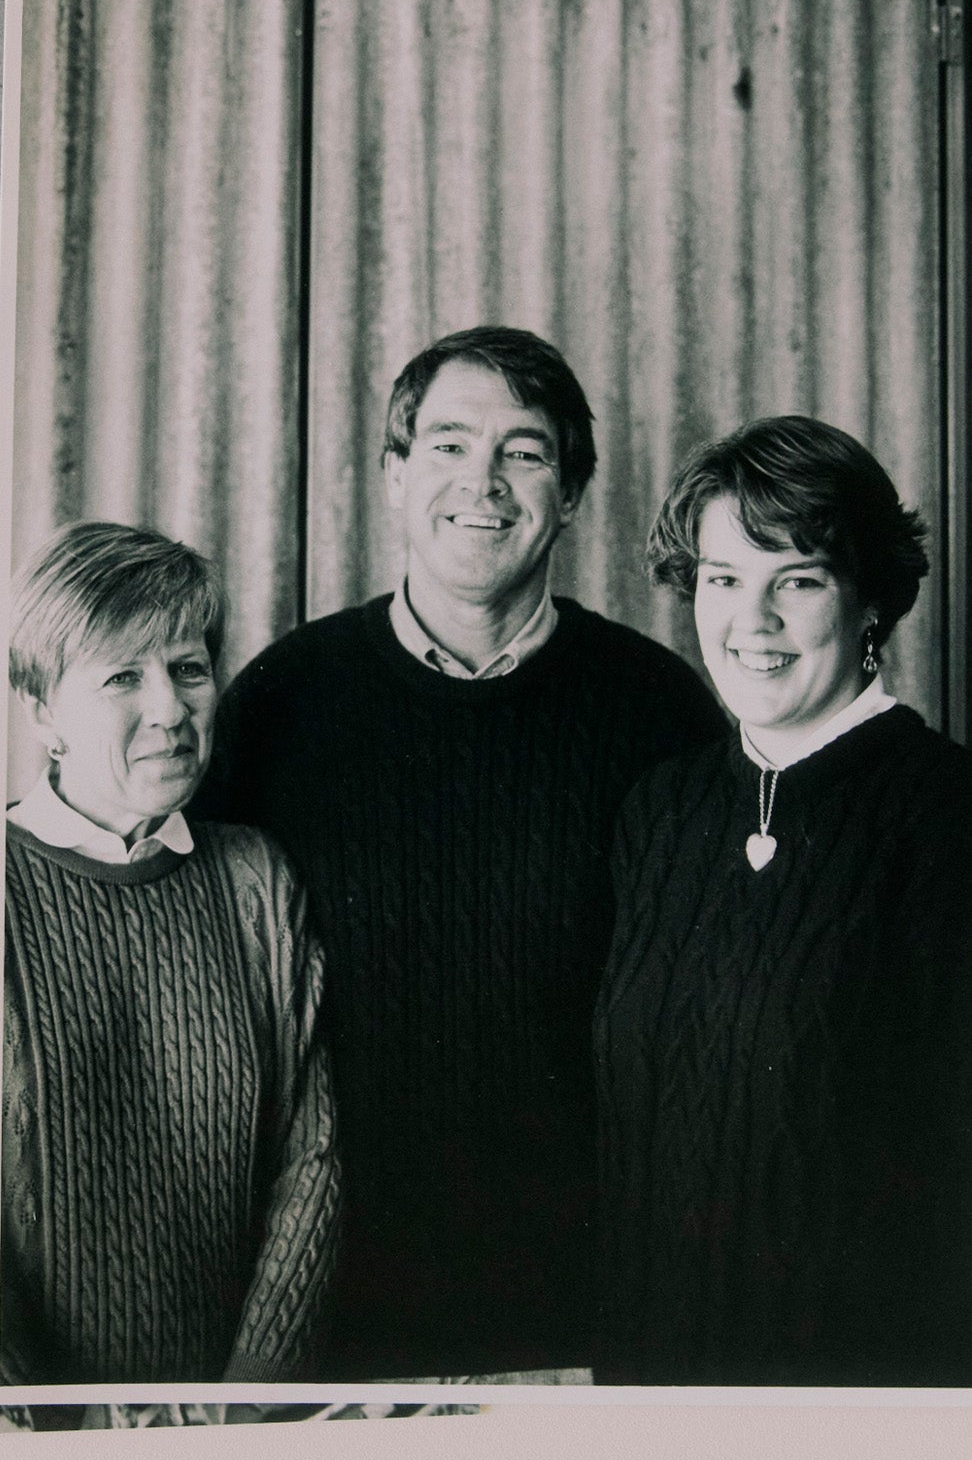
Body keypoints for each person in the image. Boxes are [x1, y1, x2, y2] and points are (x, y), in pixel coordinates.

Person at [196, 325, 725, 1379]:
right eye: (447, 445)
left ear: (571, 494)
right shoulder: (283, 701)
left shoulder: (661, 711)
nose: (481, 482)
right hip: (330, 1312)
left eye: (523, 452)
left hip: (587, 1315)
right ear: (395, 475)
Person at [594, 415, 972, 1386]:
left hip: (865, 1403)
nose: (750, 620)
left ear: (870, 600)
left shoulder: (946, 814)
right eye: (723, 579)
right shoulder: (661, 810)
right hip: (653, 1393)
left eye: (796, 580)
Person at [0, 521, 340, 1387]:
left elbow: (312, 1156)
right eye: (123, 676)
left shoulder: (255, 877)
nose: (170, 709)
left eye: (188, 669)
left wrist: (249, 1400)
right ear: (42, 711)